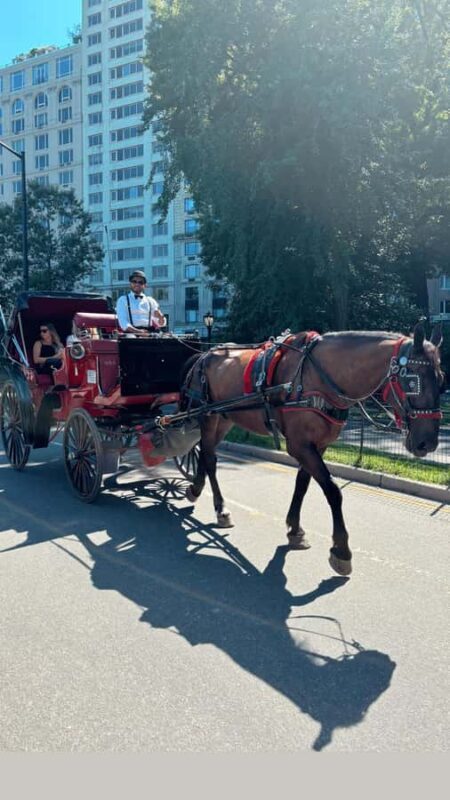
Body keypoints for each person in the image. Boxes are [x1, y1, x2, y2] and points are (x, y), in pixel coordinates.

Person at [116, 270, 166, 336]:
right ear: (130, 284)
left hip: (149, 333)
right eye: (134, 281)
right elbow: (123, 323)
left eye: (140, 282)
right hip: (131, 333)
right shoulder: (122, 300)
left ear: (145, 285)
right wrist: (138, 332)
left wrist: (160, 317)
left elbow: (161, 324)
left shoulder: (151, 301)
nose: (137, 284)